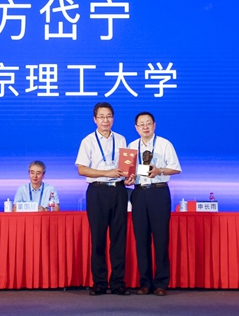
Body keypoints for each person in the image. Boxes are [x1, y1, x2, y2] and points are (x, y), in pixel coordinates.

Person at [76, 102, 134, 296]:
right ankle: (99, 283)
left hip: (118, 191)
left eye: (109, 116)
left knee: (119, 239)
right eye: (101, 117)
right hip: (97, 191)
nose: (105, 120)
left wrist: (129, 177)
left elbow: (126, 167)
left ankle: (118, 283)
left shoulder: (121, 139)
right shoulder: (88, 141)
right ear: (95, 119)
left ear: (113, 118)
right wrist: (106, 172)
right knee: (98, 239)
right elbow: (81, 169)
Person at [129, 112, 181, 296]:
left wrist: (160, 170)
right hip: (139, 193)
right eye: (141, 124)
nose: (145, 127)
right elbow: (129, 171)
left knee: (160, 239)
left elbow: (176, 168)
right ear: (136, 128)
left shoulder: (165, 144)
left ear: (154, 125)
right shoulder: (131, 147)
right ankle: (145, 282)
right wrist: (128, 179)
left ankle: (160, 283)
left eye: (148, 123)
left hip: (159, 192)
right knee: (141, 239)